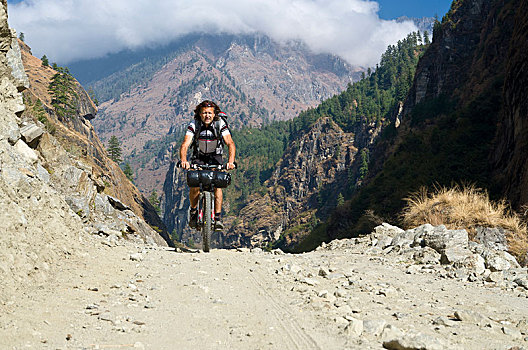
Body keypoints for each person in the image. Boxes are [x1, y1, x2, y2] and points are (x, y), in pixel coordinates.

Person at [179, 100, 236, 231]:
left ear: (214, 114)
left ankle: (217, 218)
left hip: (215, 157)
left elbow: (230, 143)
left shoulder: (220, 124)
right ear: (199, 114)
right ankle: (193, 212)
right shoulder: (194, 124)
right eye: (204, 113)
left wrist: (231, 161)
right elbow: (185, 144)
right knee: (194, 184)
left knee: (217, 185)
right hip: (198, 157)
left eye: (210, 113)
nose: (207, 116)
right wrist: (184, 160)